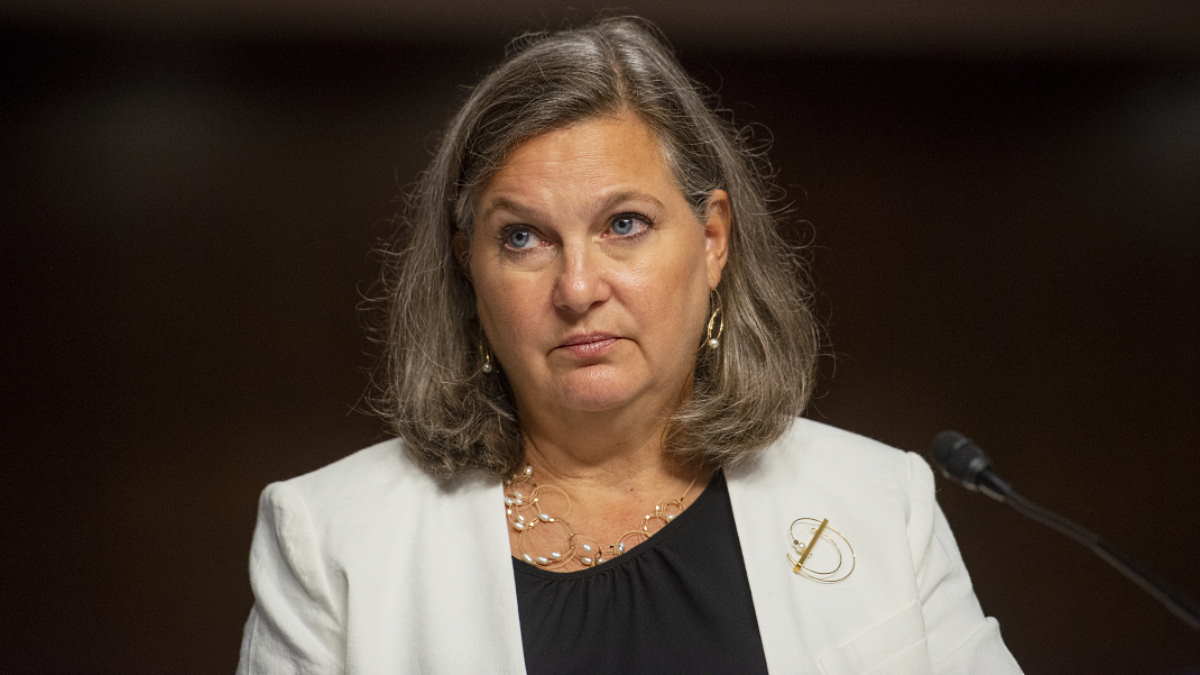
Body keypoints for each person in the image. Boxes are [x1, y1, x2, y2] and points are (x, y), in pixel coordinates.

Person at [236, 16, 1022, 674]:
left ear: (712, 240)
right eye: (523, 237)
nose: (578, 287)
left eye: (624, 224)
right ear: (468, 267)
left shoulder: (880, 502)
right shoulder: (334, 539)